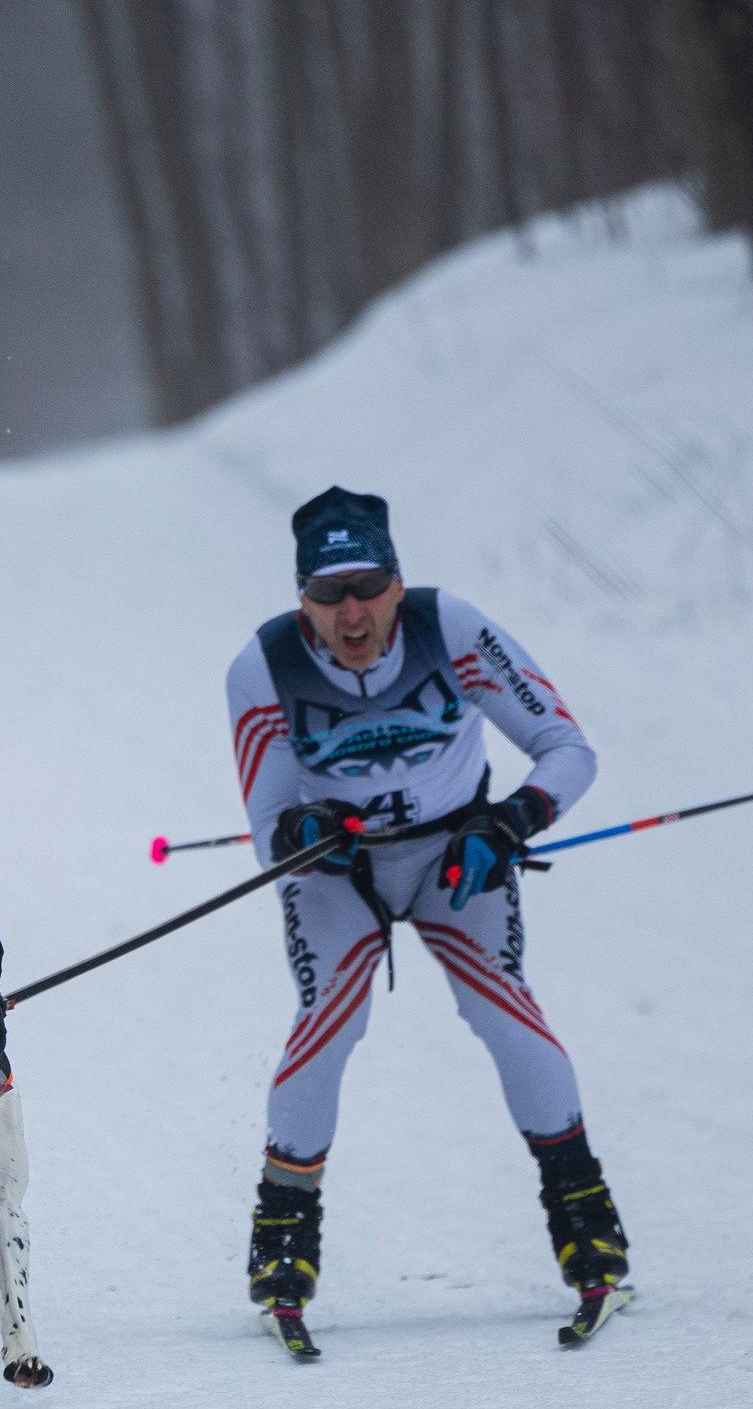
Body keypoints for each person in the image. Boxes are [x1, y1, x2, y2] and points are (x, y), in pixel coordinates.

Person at [226, 485, 628, 1327]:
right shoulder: (263, 666)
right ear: (302, 596)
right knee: (329, 1022)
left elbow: (569, 749)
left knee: (507, 1013)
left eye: (368, 586)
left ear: (398, 582)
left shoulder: (453, 629)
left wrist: (513, 820)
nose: (353, 612)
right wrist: (306, 827)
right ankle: (284, 1238)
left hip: (460, 860)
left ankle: (587, 1225)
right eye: (329, 593)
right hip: (341, 872)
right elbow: (269, 835)